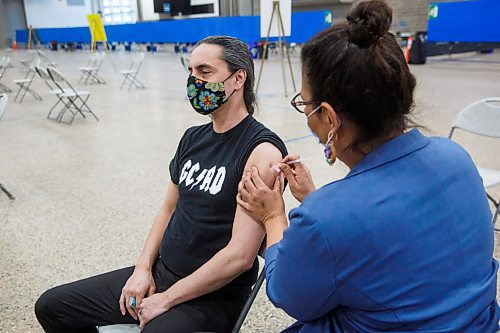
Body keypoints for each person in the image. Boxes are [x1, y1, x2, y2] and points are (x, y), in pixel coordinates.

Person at [236, 1, 500, 332]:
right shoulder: (455, 157)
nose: (305, 113)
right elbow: (388, 231)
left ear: (330, 118)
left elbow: (289, 294)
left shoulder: (327, 218)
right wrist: (317, 200)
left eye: (305, 103)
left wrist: (273, 217)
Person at [35, 35, 288, 333]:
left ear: (237, 79)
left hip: (211, 297)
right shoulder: (193, 138)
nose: (194, 81)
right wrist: (143, 269)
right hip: (161, 274)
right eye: (191, 71)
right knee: (52, 307)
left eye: (205, 72)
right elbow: (168, 209)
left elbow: (240, 257)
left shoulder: (260, 151)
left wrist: (167, 299)